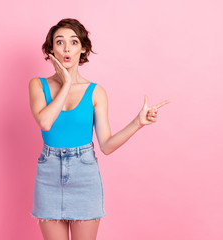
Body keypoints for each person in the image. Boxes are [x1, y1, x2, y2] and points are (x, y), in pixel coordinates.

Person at [28, 18, 171, 240]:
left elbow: (106, 145)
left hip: (84, 173)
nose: (67, 48)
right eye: (60, 42)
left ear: (82, 48)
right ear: (51, 49)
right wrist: (66, 83)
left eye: (74, 42)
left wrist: (138, 122)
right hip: (49, 175)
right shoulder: (38, 85)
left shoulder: (96, 92)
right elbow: (45, 122)